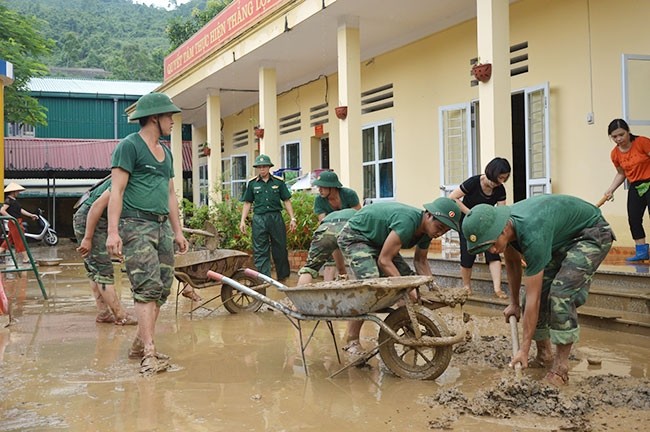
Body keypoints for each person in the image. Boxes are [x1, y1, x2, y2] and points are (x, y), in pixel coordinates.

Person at [462, 194, 614, 386]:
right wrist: (515, 303)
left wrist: (523, 349)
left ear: (503, 230)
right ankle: (544, 355)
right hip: (560, 238)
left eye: (491, 245)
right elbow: (512, 263)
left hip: (591, 233)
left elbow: (535, 299)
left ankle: (561, 368)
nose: (492, 251)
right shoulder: (506, 227)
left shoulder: (532, 232)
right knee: (531, 298)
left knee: (560, 294)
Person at [106, 92, 189, 375]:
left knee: (164, 287)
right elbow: (115, 190)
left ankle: (140, 343)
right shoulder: (129, 147)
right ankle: (150, 353)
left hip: (161, 225)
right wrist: (113, 232)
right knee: (147, 286)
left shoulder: (166, 153)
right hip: (135, 224)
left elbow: (170, 194)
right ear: (155, 117)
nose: (173, 122)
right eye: (169, 117)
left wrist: (177, 231)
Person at [337, 197, 461, 354]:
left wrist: (433, 287)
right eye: (440, 227)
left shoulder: (427, 232)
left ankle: (409, 332)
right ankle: (352, 339)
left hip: (379, 242)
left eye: (445, 231)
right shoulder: (407, 222)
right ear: (428, 215)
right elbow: (384, 260)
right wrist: (405, 288)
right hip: (356, 236)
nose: (440, 233)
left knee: (413, 284)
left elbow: (420, 261)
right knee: (370, 285)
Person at [74, 178, 137, 325]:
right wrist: (88, 238)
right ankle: (120, 315)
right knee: (103, 269)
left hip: (94, 220)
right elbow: (96, 206)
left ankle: (103, 313)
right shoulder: (125, 179)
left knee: (95, 268)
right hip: (90, 219)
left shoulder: (125, 176)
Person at [449, 157, 511, 297]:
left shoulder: (500, 189)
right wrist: (470, 213)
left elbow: (501, 210)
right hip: (467, 222)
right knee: (467, 254)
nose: (501, 182)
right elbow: (453, 197)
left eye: (504, 178)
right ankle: (466, 287)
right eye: (500, 177)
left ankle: (497, 289)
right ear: (492, 173)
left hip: (487, 224)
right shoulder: (473, 182)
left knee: (493, 253)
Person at [239, 154, 296, 281]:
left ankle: (283, 278)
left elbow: (286, 200)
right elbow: (247, 202)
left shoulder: (278, 182)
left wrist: (292, 218)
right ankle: (264, 279)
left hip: (275, 217)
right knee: (260, 250)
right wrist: (242, 220)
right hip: (259, 219)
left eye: (264, 166)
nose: (262, 169)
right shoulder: (252, 184)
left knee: (280, 248)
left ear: (269, 167)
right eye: (259, 167)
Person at [604, 118, 650, 261]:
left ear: (628, 132)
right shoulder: (615, 154)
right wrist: (610, 189)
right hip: (635, 186)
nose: (618, 139)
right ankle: (642, 252)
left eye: (621, 134)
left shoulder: (642, 142)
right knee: (634, 219)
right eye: (614, 136)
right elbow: (621, 173)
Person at [312, 171, 361, 281]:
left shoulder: (349, 194)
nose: (319, 190)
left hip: (351, 231)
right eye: (319, 187)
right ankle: (330, 285)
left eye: (323, 187)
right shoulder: (319, 200)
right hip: (331, 231)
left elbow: (358, 215)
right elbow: (323, 222)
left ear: (333, 187)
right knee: (330, 258)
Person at [296, 208, 357, 286]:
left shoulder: (332, 214)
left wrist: (342, 272)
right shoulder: (359, 214)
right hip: (346, 226)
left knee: (310, 268)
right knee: (363, 265)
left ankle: (298, 295)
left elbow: (335, 245)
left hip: (324, 228)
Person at [0, 183, 37, 264]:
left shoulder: (14, 201)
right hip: (14, 222)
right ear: (13, 192)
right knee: (20, 239)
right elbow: (2, 211)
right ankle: (26, 258)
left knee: (8, 241)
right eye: (17, 191)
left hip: (17, 221)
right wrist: (11, 218)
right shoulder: (8, 200)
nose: (18, 193)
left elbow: (20, 210)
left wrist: (31, 215)